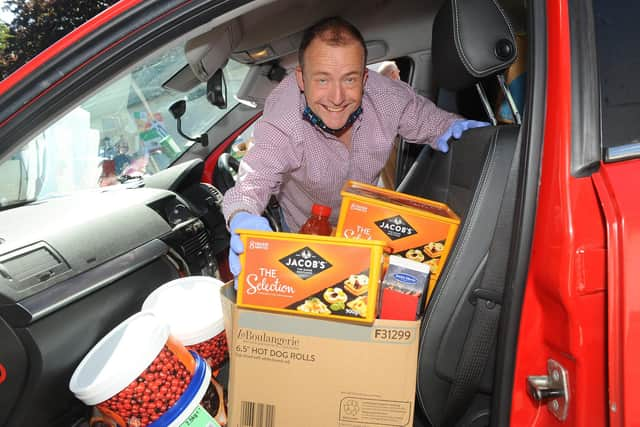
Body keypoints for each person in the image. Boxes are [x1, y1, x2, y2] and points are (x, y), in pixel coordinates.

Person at [222, 16, 487, 280]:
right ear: (302, 80)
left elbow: (434, 122)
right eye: (322, 80)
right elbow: (253, 180)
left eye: (349, 80)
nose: (337, 98)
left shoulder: (388, 97)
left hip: (365, 223)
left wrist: (468, 133)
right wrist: (242, 217)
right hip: (305, 229)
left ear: (364, 78)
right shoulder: (283, 119)